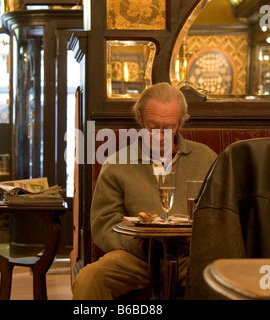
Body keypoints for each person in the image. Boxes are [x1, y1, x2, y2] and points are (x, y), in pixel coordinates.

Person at [71, 82, 217, 299]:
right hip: (135, 258)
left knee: (227, 278)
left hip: (192, 257)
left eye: (168, 128)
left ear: (181, 123)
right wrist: (140, 246)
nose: (160, 137)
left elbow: (221, 215)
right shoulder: (117, 163)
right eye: (152, 126)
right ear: (139, 119)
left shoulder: (205, 159)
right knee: (89, 278)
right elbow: (104, 224)